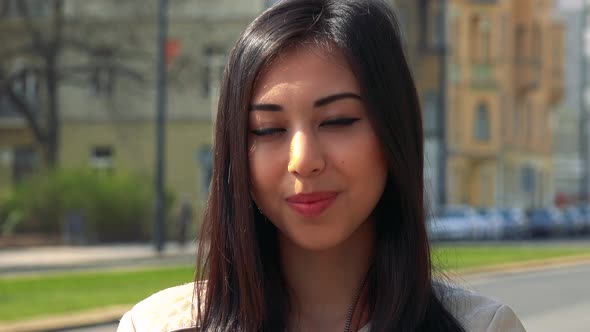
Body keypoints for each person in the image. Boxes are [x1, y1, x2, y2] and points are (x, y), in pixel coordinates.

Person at [118, 0, 526, 331]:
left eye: (337, 121)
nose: (303, 160)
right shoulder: (154, 326)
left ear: (394, 133)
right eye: (267, 129)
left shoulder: (483, 326)